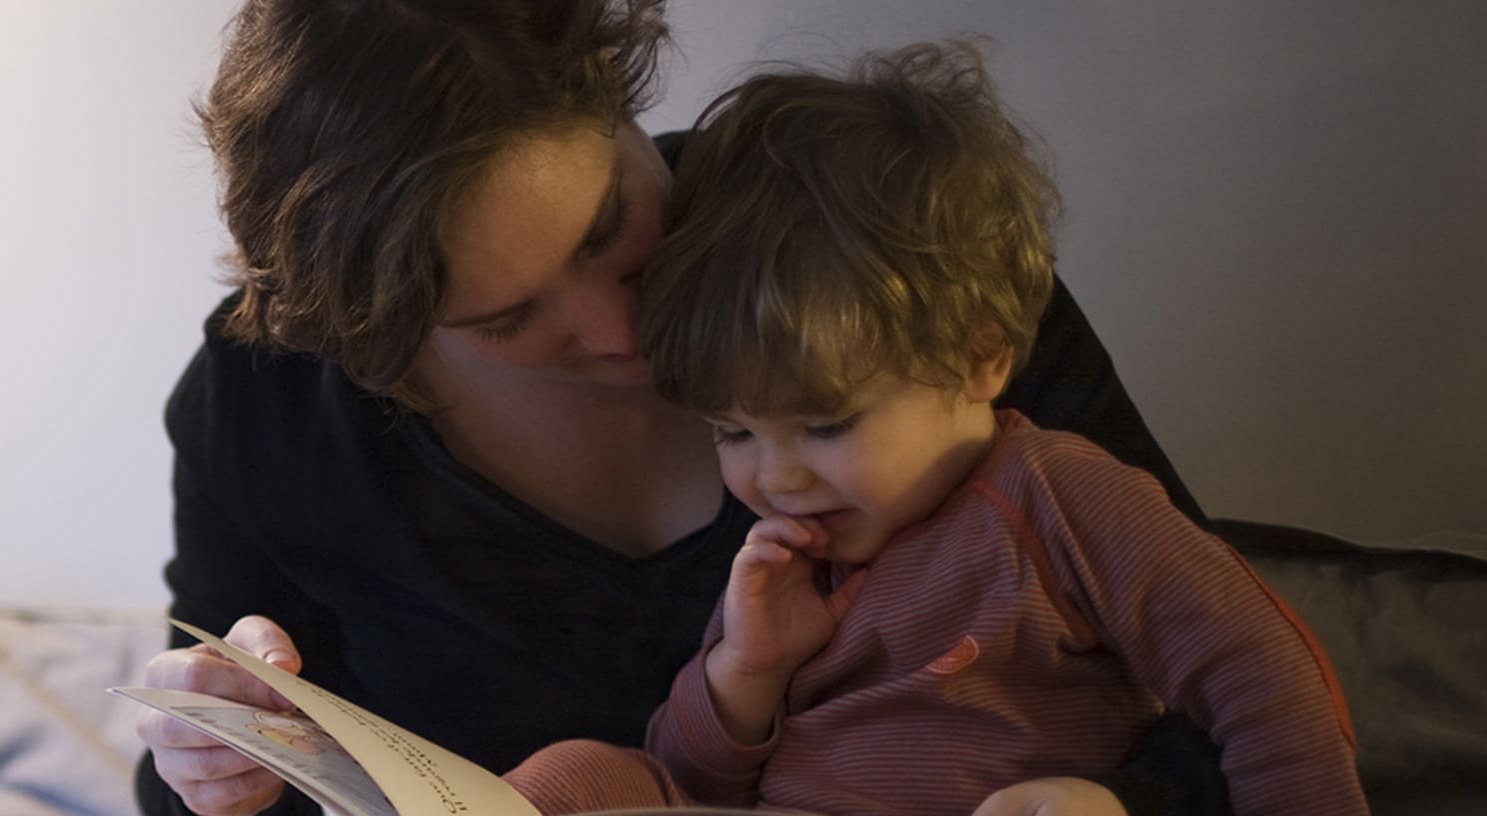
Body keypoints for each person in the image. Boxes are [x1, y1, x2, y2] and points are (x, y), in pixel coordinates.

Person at [136, 2, 1227, 814]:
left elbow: (1221, 684)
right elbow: (180, 778)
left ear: (616, 100)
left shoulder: (870, 247)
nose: (622, 335)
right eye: (509, 320)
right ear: (376, 336)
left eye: (609, 224)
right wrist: (220, 761)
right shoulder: (266, 413)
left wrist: (1128, 805)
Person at [493, 41, 1363, 816]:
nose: (776, 478)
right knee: (573, 777)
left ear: (981, 357)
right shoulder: (793, 560)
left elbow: (1260, 668)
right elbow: (695, 775)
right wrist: (746, 672)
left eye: (826, 422)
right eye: (732, 432)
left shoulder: (1058, 496)